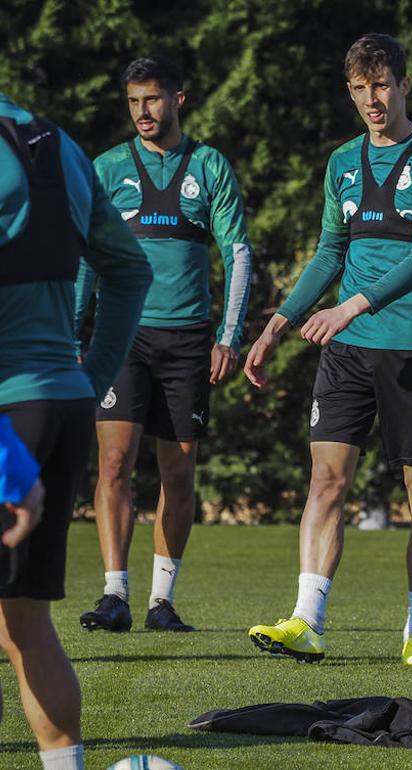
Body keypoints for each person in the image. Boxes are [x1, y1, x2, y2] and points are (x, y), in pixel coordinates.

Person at [242, 33, 412, 667]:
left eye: (382, 84)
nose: (373, 98)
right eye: (360, 88)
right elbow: (329, 255)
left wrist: (349, 306)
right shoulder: (341, 161)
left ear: (403, 84)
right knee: (325, 482)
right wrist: (275, 326)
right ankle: (306, 622)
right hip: (348, 352)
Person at [75, 55, 254, 634]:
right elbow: (86, 258)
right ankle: (114, 595)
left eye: (152, 99)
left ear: (178, 99)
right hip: (120, 338)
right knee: (112, 463)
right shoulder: (105, 169)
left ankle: (161, 602)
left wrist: (228, 337)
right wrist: (77, 333)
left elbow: (239, 254)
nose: (142, 111)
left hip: (188, 342)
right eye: (133, 101)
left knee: (177, 472)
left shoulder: (209, 166)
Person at [0, 91, 151, 770]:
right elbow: (128, 268)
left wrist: (7, 460)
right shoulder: (57, 145)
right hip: (58, 403)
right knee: (25, 624)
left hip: (9, 420)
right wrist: (89, 376)